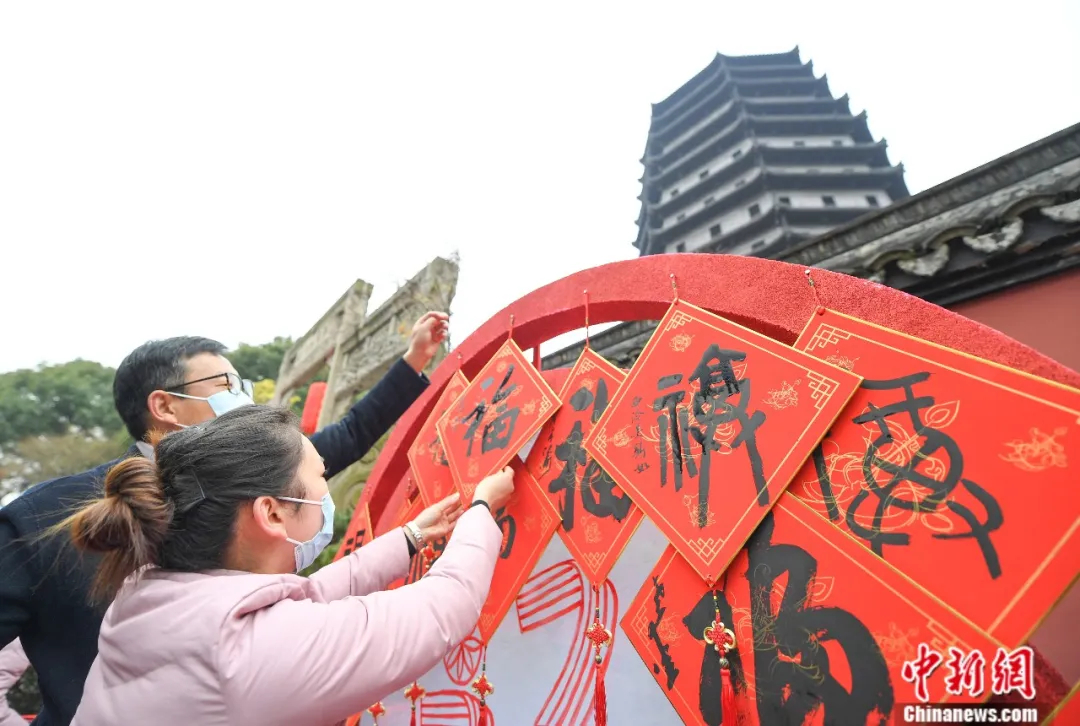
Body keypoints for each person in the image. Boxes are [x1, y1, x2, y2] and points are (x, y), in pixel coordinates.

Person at [0, 311, 449, 726]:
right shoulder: (43, 518)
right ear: (165, 406)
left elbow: (349, 434)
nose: (243, 399)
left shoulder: (262, 474)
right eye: (226, 386)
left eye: (243, 386)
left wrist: (413, 361)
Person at [65, 405, 512, 725]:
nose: (325, 491)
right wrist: (481, 508)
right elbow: (443, 606)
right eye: (320, 477)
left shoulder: (148, 591)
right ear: (272, 513)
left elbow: (309, 597)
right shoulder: (247, 653)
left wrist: (410, 537)